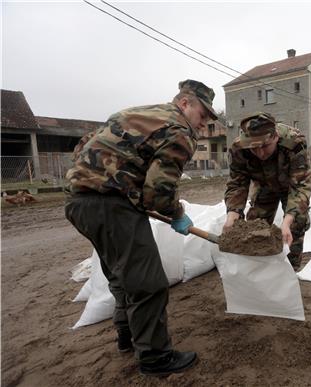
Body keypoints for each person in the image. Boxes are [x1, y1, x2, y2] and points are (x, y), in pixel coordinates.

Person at [64, 79, 218, 376]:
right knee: (149, 284)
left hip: (79, 202)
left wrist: (120, 185)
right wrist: (177, 214)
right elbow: (159, 192)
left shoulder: (136, 113)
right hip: (111, 206)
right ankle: (156, 358)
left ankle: (126, 336)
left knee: (122, 275)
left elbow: (84, 145)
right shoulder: (178, 129)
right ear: (185, 103)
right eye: (203, 116)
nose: (203, 125)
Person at [223, 112, 311, 270]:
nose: (260, 153)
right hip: (264, 185)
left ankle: (292, 268)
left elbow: (300, 185)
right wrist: (233, 213)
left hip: (290, 186)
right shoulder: (239, 149)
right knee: (254, 225)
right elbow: (237, 184)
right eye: (254, 148)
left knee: (296, 223)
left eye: (264, 146)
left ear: (276, 136)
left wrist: (288, 219)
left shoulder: (294, 142)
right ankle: (259, 266)